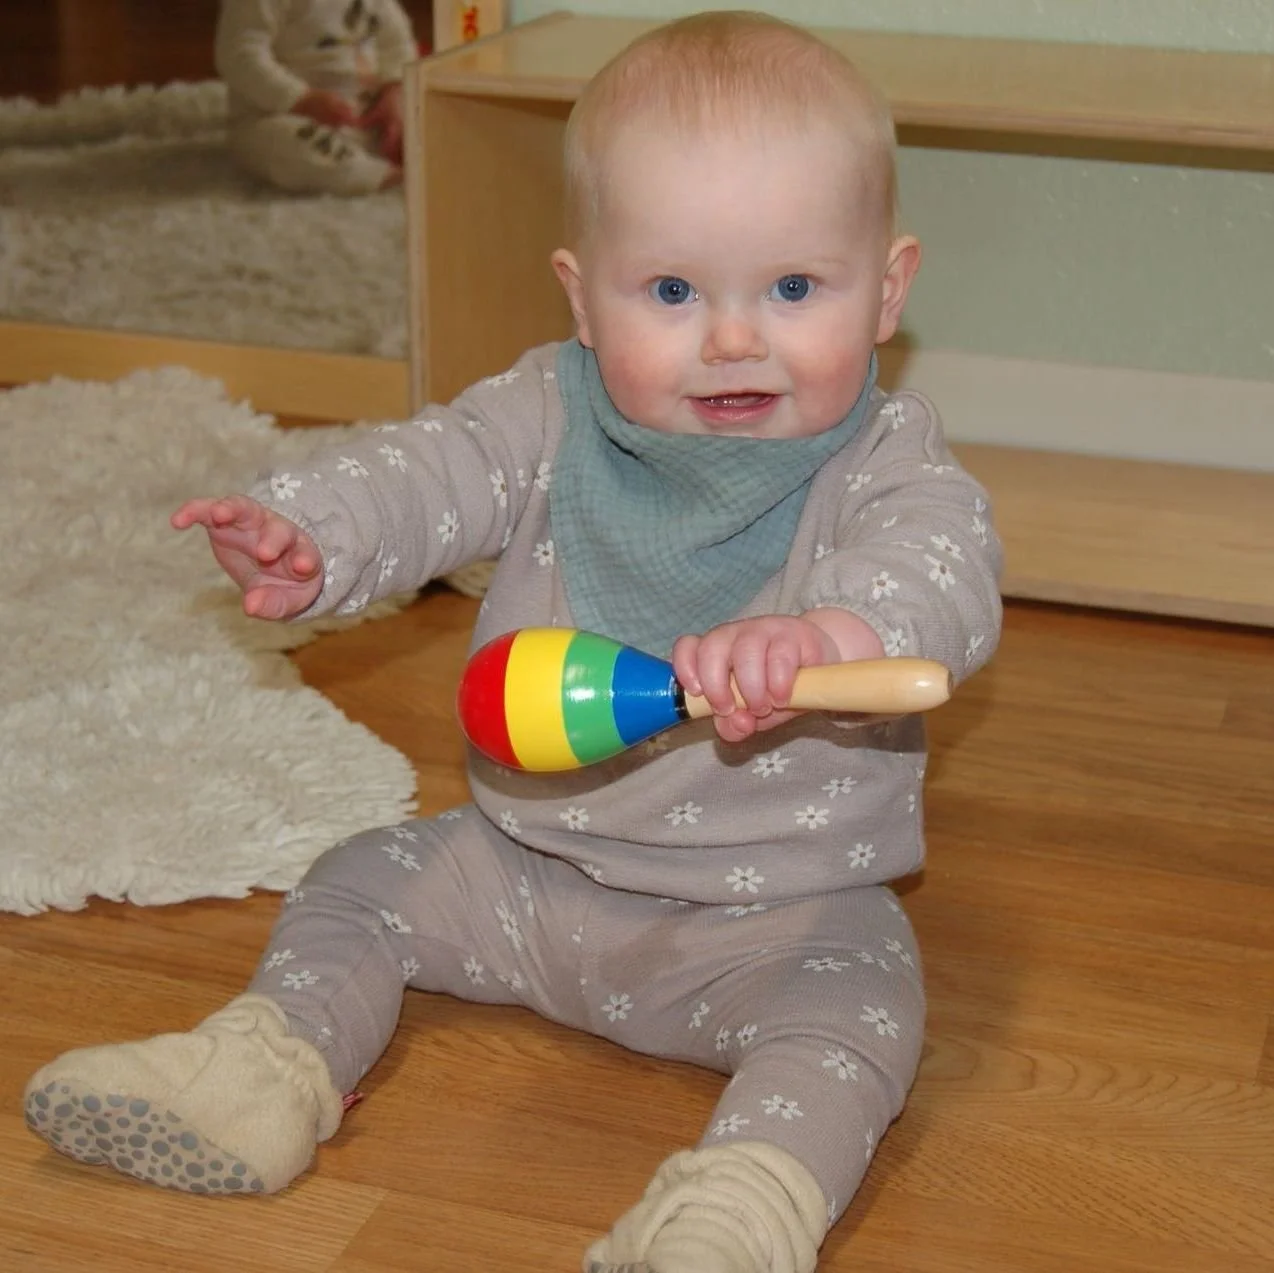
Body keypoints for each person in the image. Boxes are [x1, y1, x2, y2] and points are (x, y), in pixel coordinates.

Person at [24, 11, 1003, 1271]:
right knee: (359, 878)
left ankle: (736, 1210)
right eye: (670, 291)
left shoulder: (884, 462)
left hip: (773, 910)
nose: (732, 338)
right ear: (581, 297)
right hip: (524, 868)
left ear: (887, 289)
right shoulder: (548, 408)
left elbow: (940, 571)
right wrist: (315, 531)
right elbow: (430, 468)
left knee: (859, 1009)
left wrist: (829, 628)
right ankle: (262, 1069)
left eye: (793, 289)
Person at [215, 0, 417, 194]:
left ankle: (412, 155)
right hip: (279, 116)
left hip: (371, 113)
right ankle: (379, 175)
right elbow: (239, 55)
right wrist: (299, 99)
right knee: (285, 145)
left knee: (423, 115)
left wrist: (394, 92)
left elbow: (397, 44)